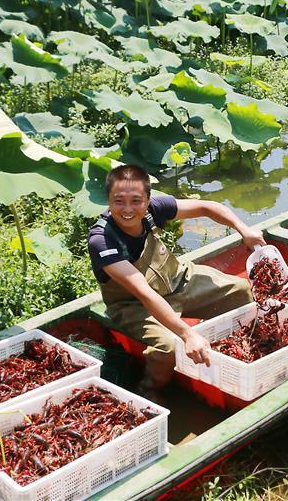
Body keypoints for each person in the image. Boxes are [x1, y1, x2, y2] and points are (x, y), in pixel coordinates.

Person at [87, 164, 265, 398]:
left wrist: (244, 229)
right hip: (134, 305)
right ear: (108, 200)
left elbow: (206, 207)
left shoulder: (155, 209)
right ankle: (149, 388)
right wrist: (186, 334)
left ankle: (231, 351)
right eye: (118, 201)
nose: (127, 209)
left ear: (148, 199)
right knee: (167, 346)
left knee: (242, 291)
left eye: (136, 201)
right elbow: (144, 293)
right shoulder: (102, 241)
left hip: (178, 279)